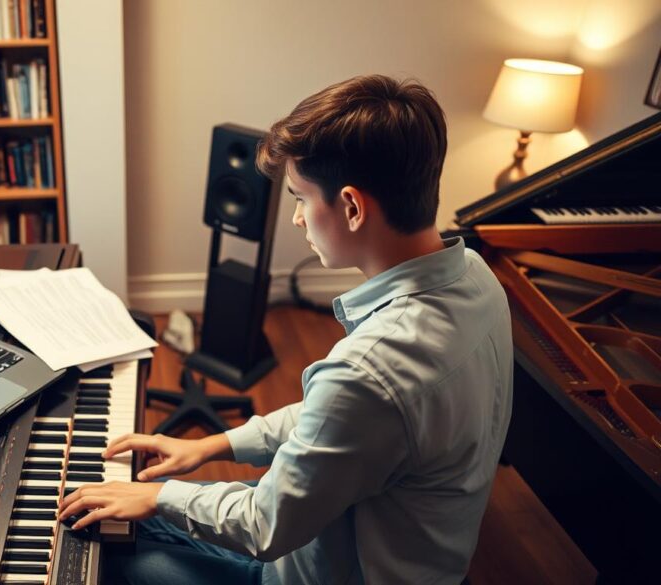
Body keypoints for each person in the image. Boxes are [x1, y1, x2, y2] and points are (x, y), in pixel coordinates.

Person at [57, 74, 513, 585]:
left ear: (353, 207)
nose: (296, 219)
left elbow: (266, 525)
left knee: (100, 560)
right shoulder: (476, 276)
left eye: (299, 198)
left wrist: (160, 495)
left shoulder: (371, 370)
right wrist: (215, 446)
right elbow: (339, 416)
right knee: (129, 518)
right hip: (418, 561)